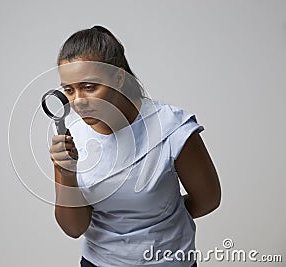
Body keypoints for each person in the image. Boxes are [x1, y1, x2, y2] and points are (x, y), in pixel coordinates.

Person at [49, 25, 221, 267]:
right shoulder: (72, 136)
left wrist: (161, 225)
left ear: (119, 77)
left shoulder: (172, 127)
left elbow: (208, 199)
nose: (79, 101)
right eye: (69, 90)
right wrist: (66, 175)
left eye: (89, 87)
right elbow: (74, 228)